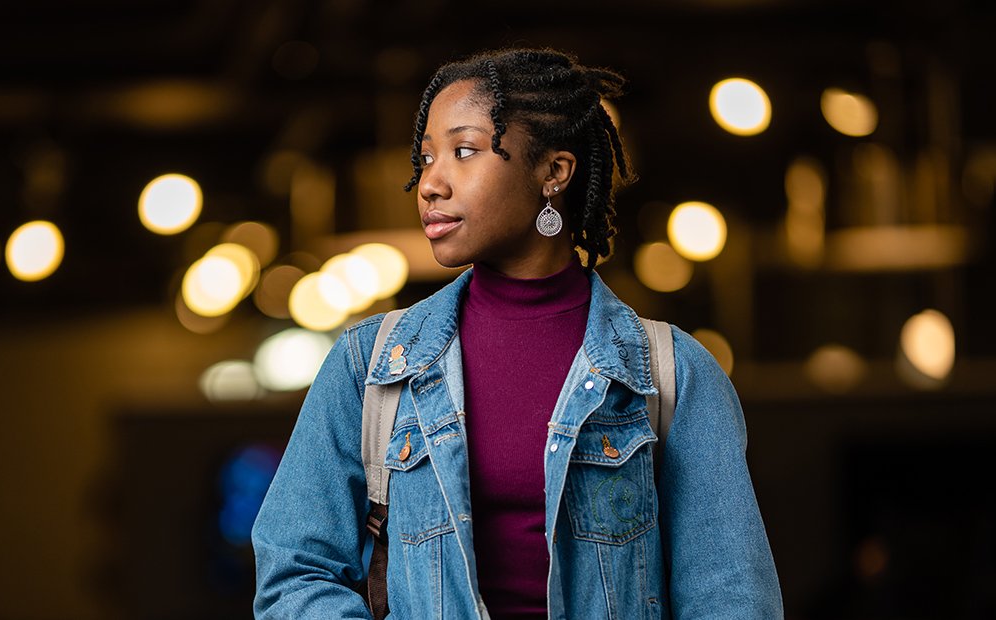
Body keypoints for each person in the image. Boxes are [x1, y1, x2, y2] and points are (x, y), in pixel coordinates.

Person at [252, 48, 783, 619]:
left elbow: (731, 600)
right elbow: (295, 572)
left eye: (463, 151)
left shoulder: (671, 373)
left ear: (552, 172)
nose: (430, 183)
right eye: (426, 157)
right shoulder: (370, 366)